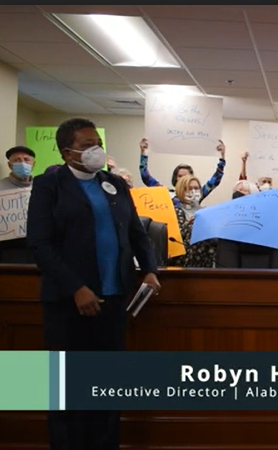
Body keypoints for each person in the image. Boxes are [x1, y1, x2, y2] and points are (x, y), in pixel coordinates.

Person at [26, 117, 161, 450]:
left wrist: (150, 269)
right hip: (68, 303)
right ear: (66, 152)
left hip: (113, 301)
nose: (94, 152)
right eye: (86, 146)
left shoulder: (114, 183)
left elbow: (137, 234)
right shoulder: (49, 186)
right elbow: (40, 244)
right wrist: (76, 288)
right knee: (67, 391)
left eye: (96, 144)